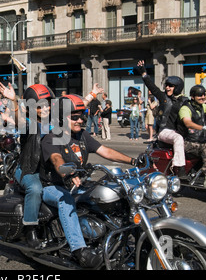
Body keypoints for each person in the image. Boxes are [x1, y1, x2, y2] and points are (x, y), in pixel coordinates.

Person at [39, 93, 142, 268]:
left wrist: (134, 161)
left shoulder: (82, 136)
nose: (80, 120)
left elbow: (106, 151)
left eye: (82, 116)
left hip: (78, 183)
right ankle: (79, 251)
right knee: (66, 201)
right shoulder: (52, 137)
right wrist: (68, 173)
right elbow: (56, 159)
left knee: (115, 195)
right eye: (75, 117)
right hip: (52, 186)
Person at [0, 82, 54, 249]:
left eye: (47, 105)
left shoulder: (55, 122)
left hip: (49, 170)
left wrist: (91, 96)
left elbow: (75, 115)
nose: (45, 109)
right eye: (39, 107)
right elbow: (18, 120)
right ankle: (30, 230)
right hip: (29, 169)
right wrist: (13, 101)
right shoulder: (29, 123)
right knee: (35, 189)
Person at [137, 60, 188, 179]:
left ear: (177, 88)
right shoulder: (164, 97)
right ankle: (180, 170)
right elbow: (153, 88)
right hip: (165, 131)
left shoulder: (185, 101)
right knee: (178, 138)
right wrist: (144, 73)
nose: (168, 87)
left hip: (179, 130)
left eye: (171, 86)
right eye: (167, 85)